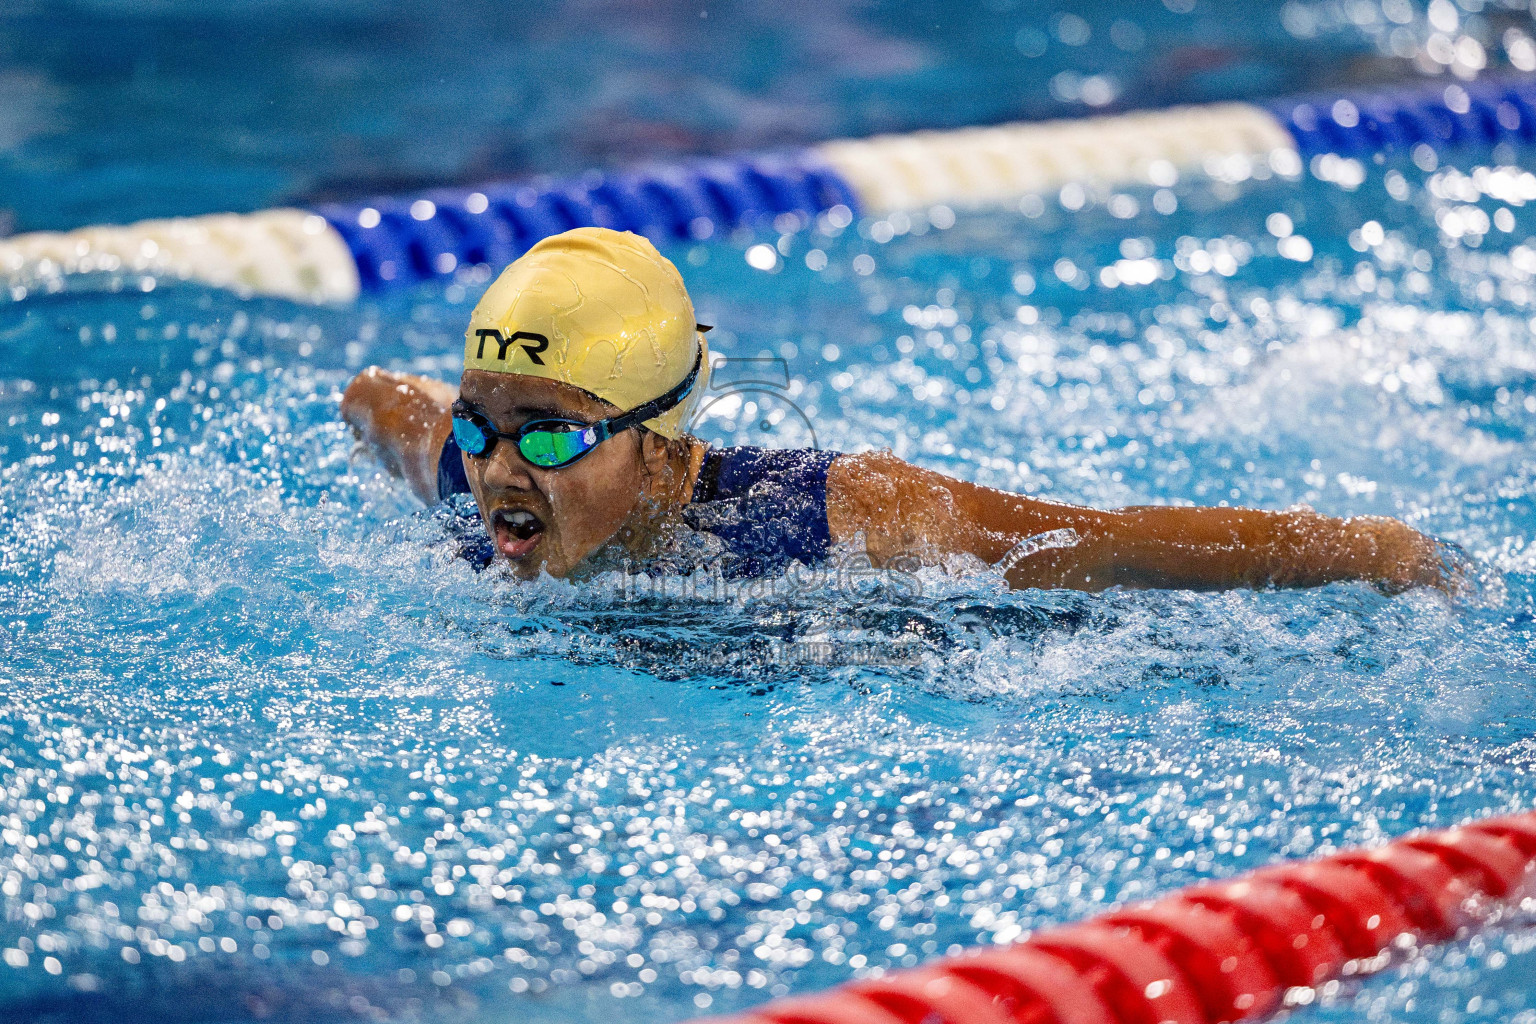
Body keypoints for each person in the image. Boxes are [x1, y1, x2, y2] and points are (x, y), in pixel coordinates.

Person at [341, 226, 1457, 593]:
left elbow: (1101, 544)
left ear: (666, 442)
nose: (497, 471)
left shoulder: (843, 517)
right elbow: (378, 399)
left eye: (550, 432)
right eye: (488, 425)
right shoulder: (471, 468)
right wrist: (462, 416)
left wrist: (1361, 548)